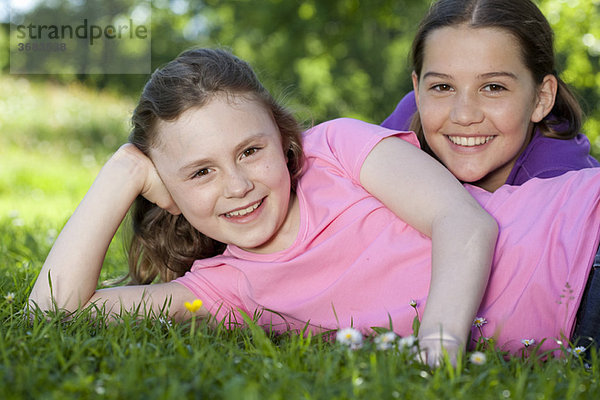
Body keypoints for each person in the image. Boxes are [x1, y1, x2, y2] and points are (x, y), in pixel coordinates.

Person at [28, 48, 498, 366]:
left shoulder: (337, 149)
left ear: (282, 137)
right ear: (167, 193)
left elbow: (462, 221)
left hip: (570, 244)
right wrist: (123, 172)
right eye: (200, 172)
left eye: (250, 151)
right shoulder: (223, 289)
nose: (238, 186)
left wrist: (438, 351)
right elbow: (50, 314)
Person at [382, 0, 599, 193]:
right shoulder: (412, 116)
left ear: (541, 98)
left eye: (493, 87)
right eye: (443, 86)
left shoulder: (562, 189)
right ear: (419, 91)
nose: (464, 115)